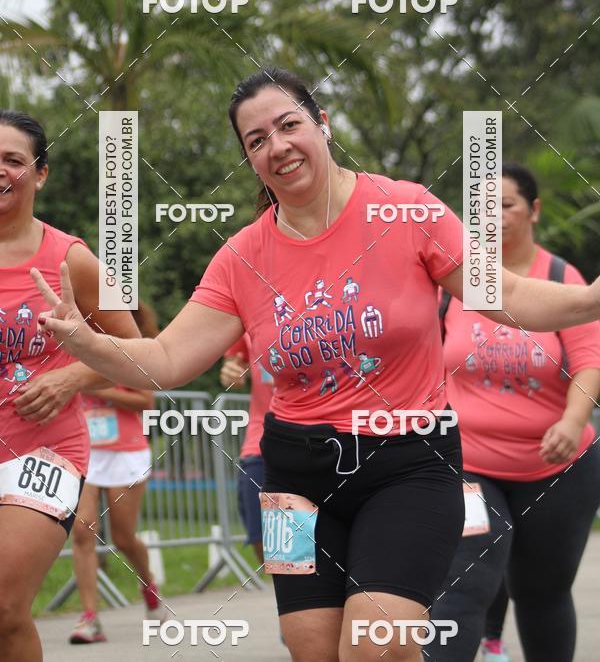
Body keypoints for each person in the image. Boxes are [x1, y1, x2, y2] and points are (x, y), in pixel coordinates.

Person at [29, 69, 600, 662]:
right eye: (255, 140)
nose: (276, 146)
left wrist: (588, 301)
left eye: (288, 125)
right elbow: (169, 358)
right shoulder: (242, 256)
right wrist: (85, 342)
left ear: (322, 125)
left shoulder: (404, 210)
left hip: (409, 465)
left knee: (376, 645)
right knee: (311, 650)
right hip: (293, 479)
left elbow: (501, 294)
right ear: (250, 160)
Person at [429, 162, 600, 662]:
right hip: (469, 465)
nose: (494, 218)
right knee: (464, 582)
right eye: (483, 208)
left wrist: (573, 421)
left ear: (534, 211)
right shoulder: (455, 284)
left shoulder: (559, 277)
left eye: (505, 205)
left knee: (541, 593)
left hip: (558, 470)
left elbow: (590, 361)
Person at [0, 110, 140, 662]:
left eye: (13, 160)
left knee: (6, 608)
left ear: (40, 174)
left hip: (44, 450)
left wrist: (73, 374)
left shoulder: (71, 259)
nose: (0, 170)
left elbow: (139, 354)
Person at [68, 302, 162, 644]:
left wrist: (94, 388)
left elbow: (145, 402)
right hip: (85, 451)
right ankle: (90, 618)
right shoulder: (77, 342)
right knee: (83, 530)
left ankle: (148, 586)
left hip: (125, 451)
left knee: (124, 537)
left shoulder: (130, 347)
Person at [220, 333, 274, 564]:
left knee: (314, 541)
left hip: (328, 434)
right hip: (263, 437)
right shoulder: (252, 303)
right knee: (263, 536)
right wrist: (231, 370)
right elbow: (234, 360)